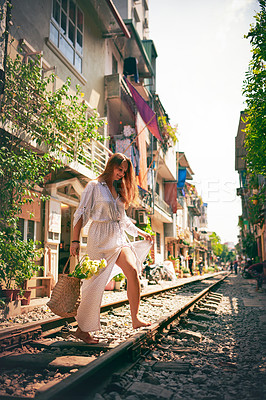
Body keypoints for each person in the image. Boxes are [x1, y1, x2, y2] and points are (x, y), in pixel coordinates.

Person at [70, 153, 153, 344]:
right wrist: (75, 241)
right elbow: (81, 213)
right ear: (111, 166)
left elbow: (122, 220)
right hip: (99, 239)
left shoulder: (118, 189)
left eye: (124, 172)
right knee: (93, 285)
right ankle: (83, 330)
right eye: (119, 169)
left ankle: (135, 319)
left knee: (133, 271)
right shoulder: (94, 186)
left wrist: (141, 233)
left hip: (117, 237)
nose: (121, 174)